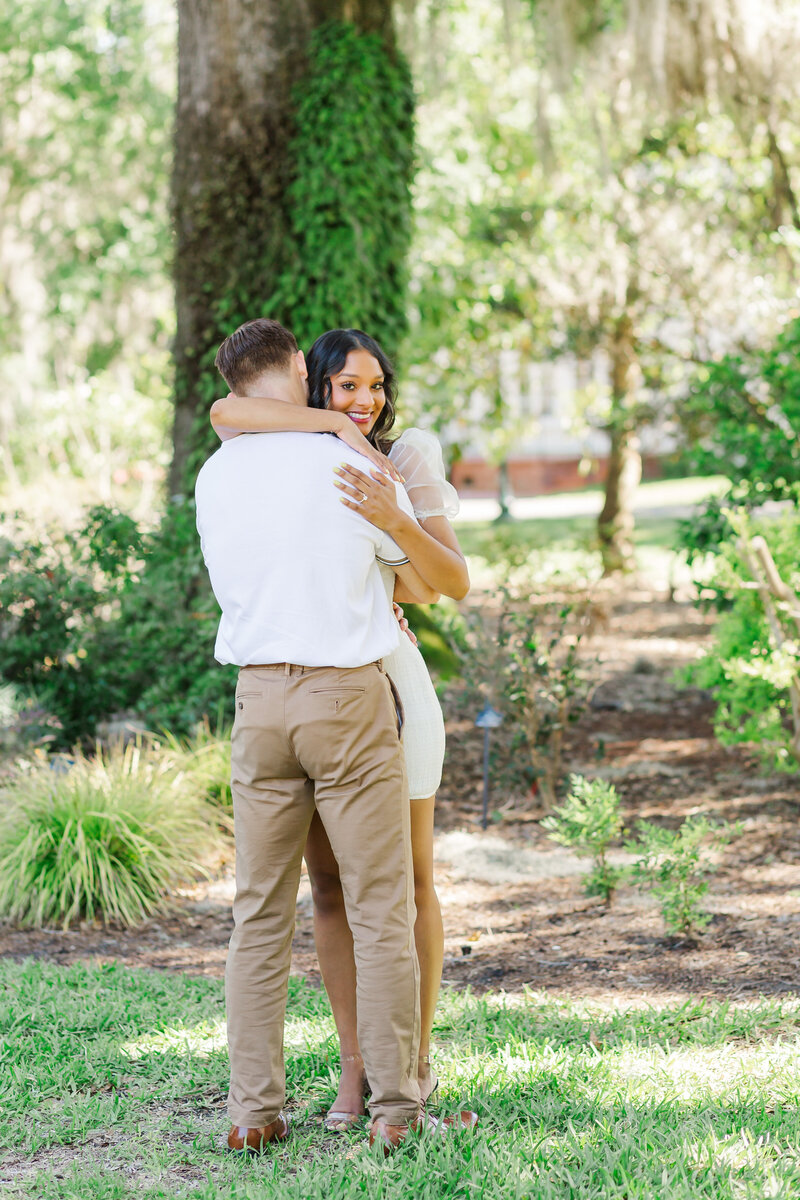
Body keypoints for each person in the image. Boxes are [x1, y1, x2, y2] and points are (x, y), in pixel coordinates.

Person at [196, 317, 449, 1153]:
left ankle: (253, 1112)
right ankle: (395, 1114)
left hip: (257, 704)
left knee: (257, 917)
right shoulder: (352, 465)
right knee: (380, 910)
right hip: (345, 698)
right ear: (302, 373)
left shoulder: (214, 475)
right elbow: (423, 581)